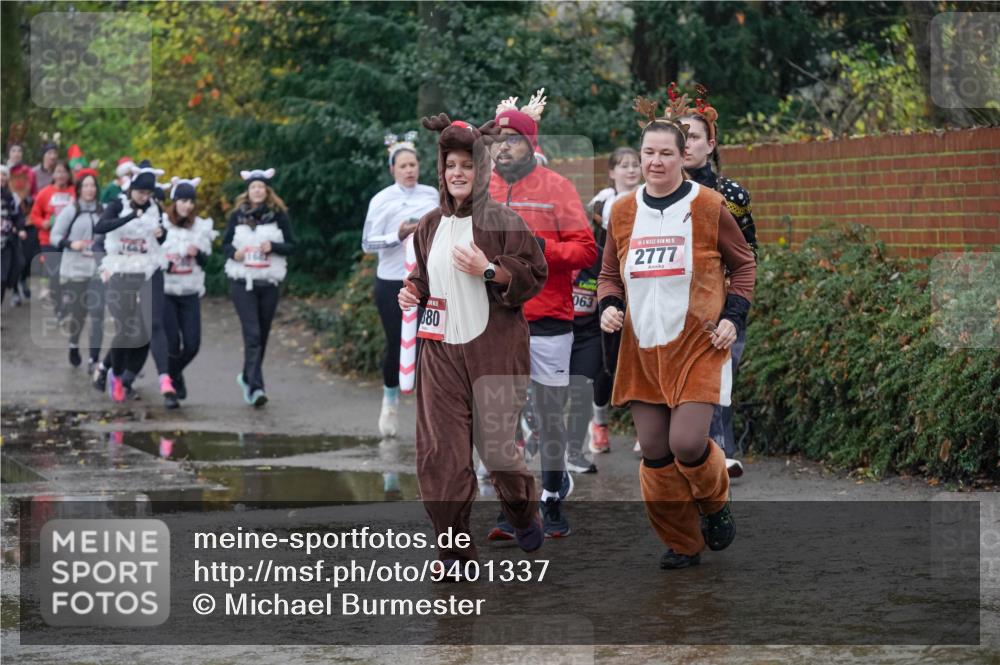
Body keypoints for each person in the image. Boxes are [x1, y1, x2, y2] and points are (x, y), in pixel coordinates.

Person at [597, 86, 756, 569]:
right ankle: (682, 542)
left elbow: (744, 264)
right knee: (656, 453)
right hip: (642, 348)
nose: (657, 161)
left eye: (667, 152)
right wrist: (607, 304)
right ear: (639, 157)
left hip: (698, 343)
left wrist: (733, 317)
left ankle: (714, 504)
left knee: (688, 443)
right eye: (649, 153)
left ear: (683, 156)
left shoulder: (708, 205)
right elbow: (608, 273)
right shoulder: (622, 212)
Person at [398, 113, 548, 571]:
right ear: (441, 171)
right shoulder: (428, 225)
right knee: (440, 456)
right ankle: (453, 549)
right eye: (450, 165)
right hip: (440, 354)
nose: (457, 173)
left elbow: (534, 274)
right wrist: (412, 291)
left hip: (494, 354)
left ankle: (523, 509)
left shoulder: (504, 220)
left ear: (481, 170)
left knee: (501, 456)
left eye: (467, 164)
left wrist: (489, 269)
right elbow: (423, 276)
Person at [488, 88, 597, 538]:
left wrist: (540, 251)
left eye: (513, 138)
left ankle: (552, 496)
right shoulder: (482, 188)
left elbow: (586, 249)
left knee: (549, 414)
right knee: (502, 417)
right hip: (494, 319)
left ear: (531, 144)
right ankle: (513, 508)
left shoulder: (558, 188)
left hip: (548, 318)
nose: (503, 145)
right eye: (497, 138)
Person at [680, 85, 758, 479]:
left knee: (719, 381)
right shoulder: (654, 194)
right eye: (678, 137)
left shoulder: (731, 194)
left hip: (724, 308)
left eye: (692, 136)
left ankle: (717, 456)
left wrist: (734, 306)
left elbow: (749, 253)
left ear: (710, 143)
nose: (685, 144)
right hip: (674, 308)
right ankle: (700, 458)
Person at [362, 131, 439, 436]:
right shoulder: (381, 199)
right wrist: (398, 234)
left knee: (429, 346)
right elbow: (367, 243)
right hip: (392, 282)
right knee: (397, 344)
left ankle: (429, 412)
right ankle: (390, 402)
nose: (409, 170)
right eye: (403, 165)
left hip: (428, 284)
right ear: (392, 169)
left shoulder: (432, 195)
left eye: (413, 164)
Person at [95, 160, 176, 407]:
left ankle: (165, 380)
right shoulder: (117, 205)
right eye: (141, 192)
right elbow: (101, 227)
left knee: (155, 323)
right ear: (131, 189)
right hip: (121, 269)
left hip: (149, 269)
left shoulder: (156, 207)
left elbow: (162, 240)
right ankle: (116, 376)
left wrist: (163, 236)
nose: (144, 197)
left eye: (148, 193)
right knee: (127, 329)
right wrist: (131, 216)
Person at [581, 147, 642, 456]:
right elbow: (588, 252)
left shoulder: (650, 199)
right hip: (608, 288)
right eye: (624, 165)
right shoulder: (599, 205)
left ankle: (644, 429)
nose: (631, 170)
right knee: (608, 361)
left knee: (643, 358)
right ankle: (600, 423)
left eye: (635, 164)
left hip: (642, 287)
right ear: (612, 172)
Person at [222, 168, 295, 407]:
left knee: (261, 336)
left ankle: (246, 376)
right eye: (253, 187)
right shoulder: (237, 216)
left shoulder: (278, 215)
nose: (257, 191)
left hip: (269, 282)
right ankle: (256, 388)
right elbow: (224, 246)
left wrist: (272, 246)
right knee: (252, 334)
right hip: (242, 282)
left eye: (261, 187)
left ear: (267, 191)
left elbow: (292, 245)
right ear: (248, 191)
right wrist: (236, 253)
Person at [161, 177, 217, 403]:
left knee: (193, 345)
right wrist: (169, 262)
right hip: (166, 292)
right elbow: (151, 258)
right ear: (174, 202)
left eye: (191, 201)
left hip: (190, 292)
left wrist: (198, 254)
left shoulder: (200, 227)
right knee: (172, 343)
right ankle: (170, 392)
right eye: (183, 200)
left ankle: (172, 374)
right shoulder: (161, 225)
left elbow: (207, 263)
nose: (188, 206)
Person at [50, 169, 105, 368]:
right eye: (86, 186)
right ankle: (74, 344)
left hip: (98, 270)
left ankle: (94, 359)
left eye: (93, 186)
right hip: (76, 270)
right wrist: (71, 244)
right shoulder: (71, 210)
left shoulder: (103, 210)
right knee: (79, 313)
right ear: (80, 189)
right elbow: (54, 236)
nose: (90, 189)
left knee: (98, 313)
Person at [29, 160, 75, 307]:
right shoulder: (45, 193)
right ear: (53, 174)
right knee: (54, 272)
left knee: (67, 271)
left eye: (64, 172)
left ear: (68, 174)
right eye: (58, 172)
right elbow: (34, 215)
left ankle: (63, 296)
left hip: (70, 240)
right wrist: (43, 223)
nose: (61, 175)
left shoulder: (74, 192)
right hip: (48, 240)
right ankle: (58, 300)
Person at [1, 165, 28, 304]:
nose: (1, 178)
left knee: (3, 278)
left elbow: (18, 216)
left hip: (6, 243)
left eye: (4, 175)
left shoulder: (11, 197)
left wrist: (20, 228)